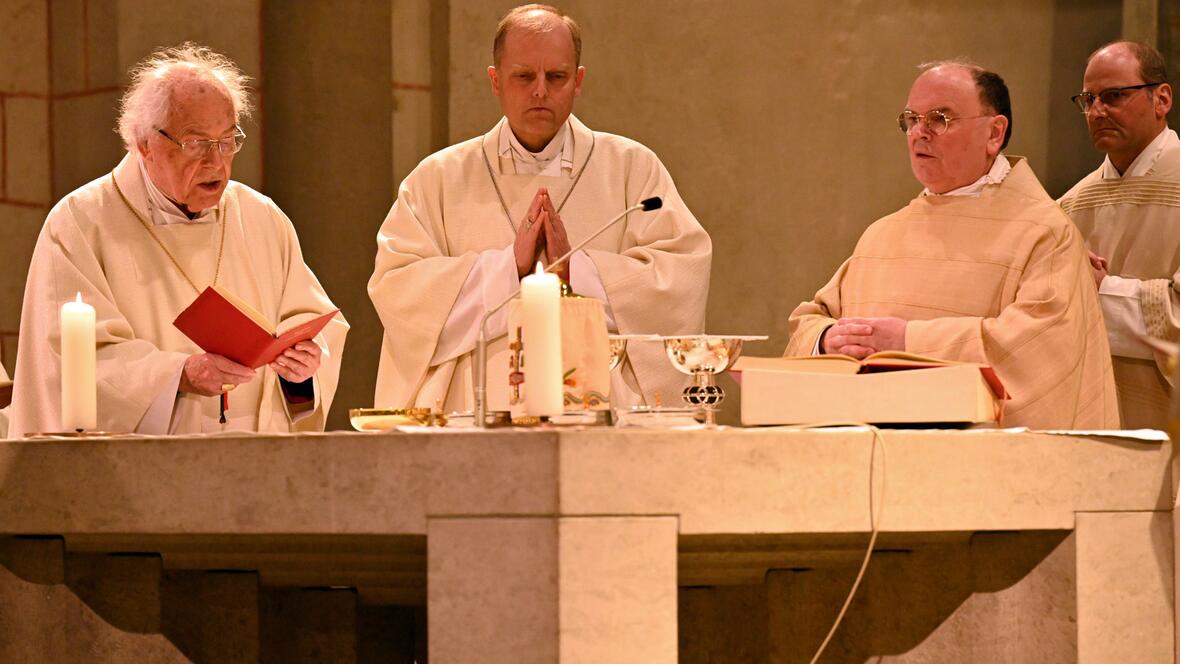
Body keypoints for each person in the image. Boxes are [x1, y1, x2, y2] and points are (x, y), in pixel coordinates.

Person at [369, 4, 711, 413]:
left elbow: (679, 278)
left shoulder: (631, 168)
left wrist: (575, 271)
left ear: (578, 81)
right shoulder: (438, 178)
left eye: (557, 77)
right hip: (474, 410)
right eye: (524, 76)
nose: (540, 91)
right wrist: (506, 268)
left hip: (600, 410)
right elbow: (397, 290)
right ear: (495, 81)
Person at [8, 43, 348, 436]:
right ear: (144, 143)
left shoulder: (262, 218)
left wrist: (301, 370)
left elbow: (309, 323)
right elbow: (70, 362)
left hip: (257, 462)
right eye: (195, 143)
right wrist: (179, 375)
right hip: (141, 471)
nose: (216, 162)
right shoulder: (82, 223)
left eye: (226, 141)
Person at [785, 61, 1118, 429]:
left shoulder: (1045, 234)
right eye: (912, 119)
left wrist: (907, 340)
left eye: (939, 118)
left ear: (995, 133)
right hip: (869, 462)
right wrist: (829, 340)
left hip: (974, 469)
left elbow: (1038, 354)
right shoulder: (882, 234)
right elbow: (809, 322)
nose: (919, 133)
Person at [1059, 41, 1179, 429]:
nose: (1096, 112)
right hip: (1093, 418)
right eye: (1088, 99)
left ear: (1161, 99)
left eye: (1113, 96)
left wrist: (1099, 288)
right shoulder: (1069, 206)